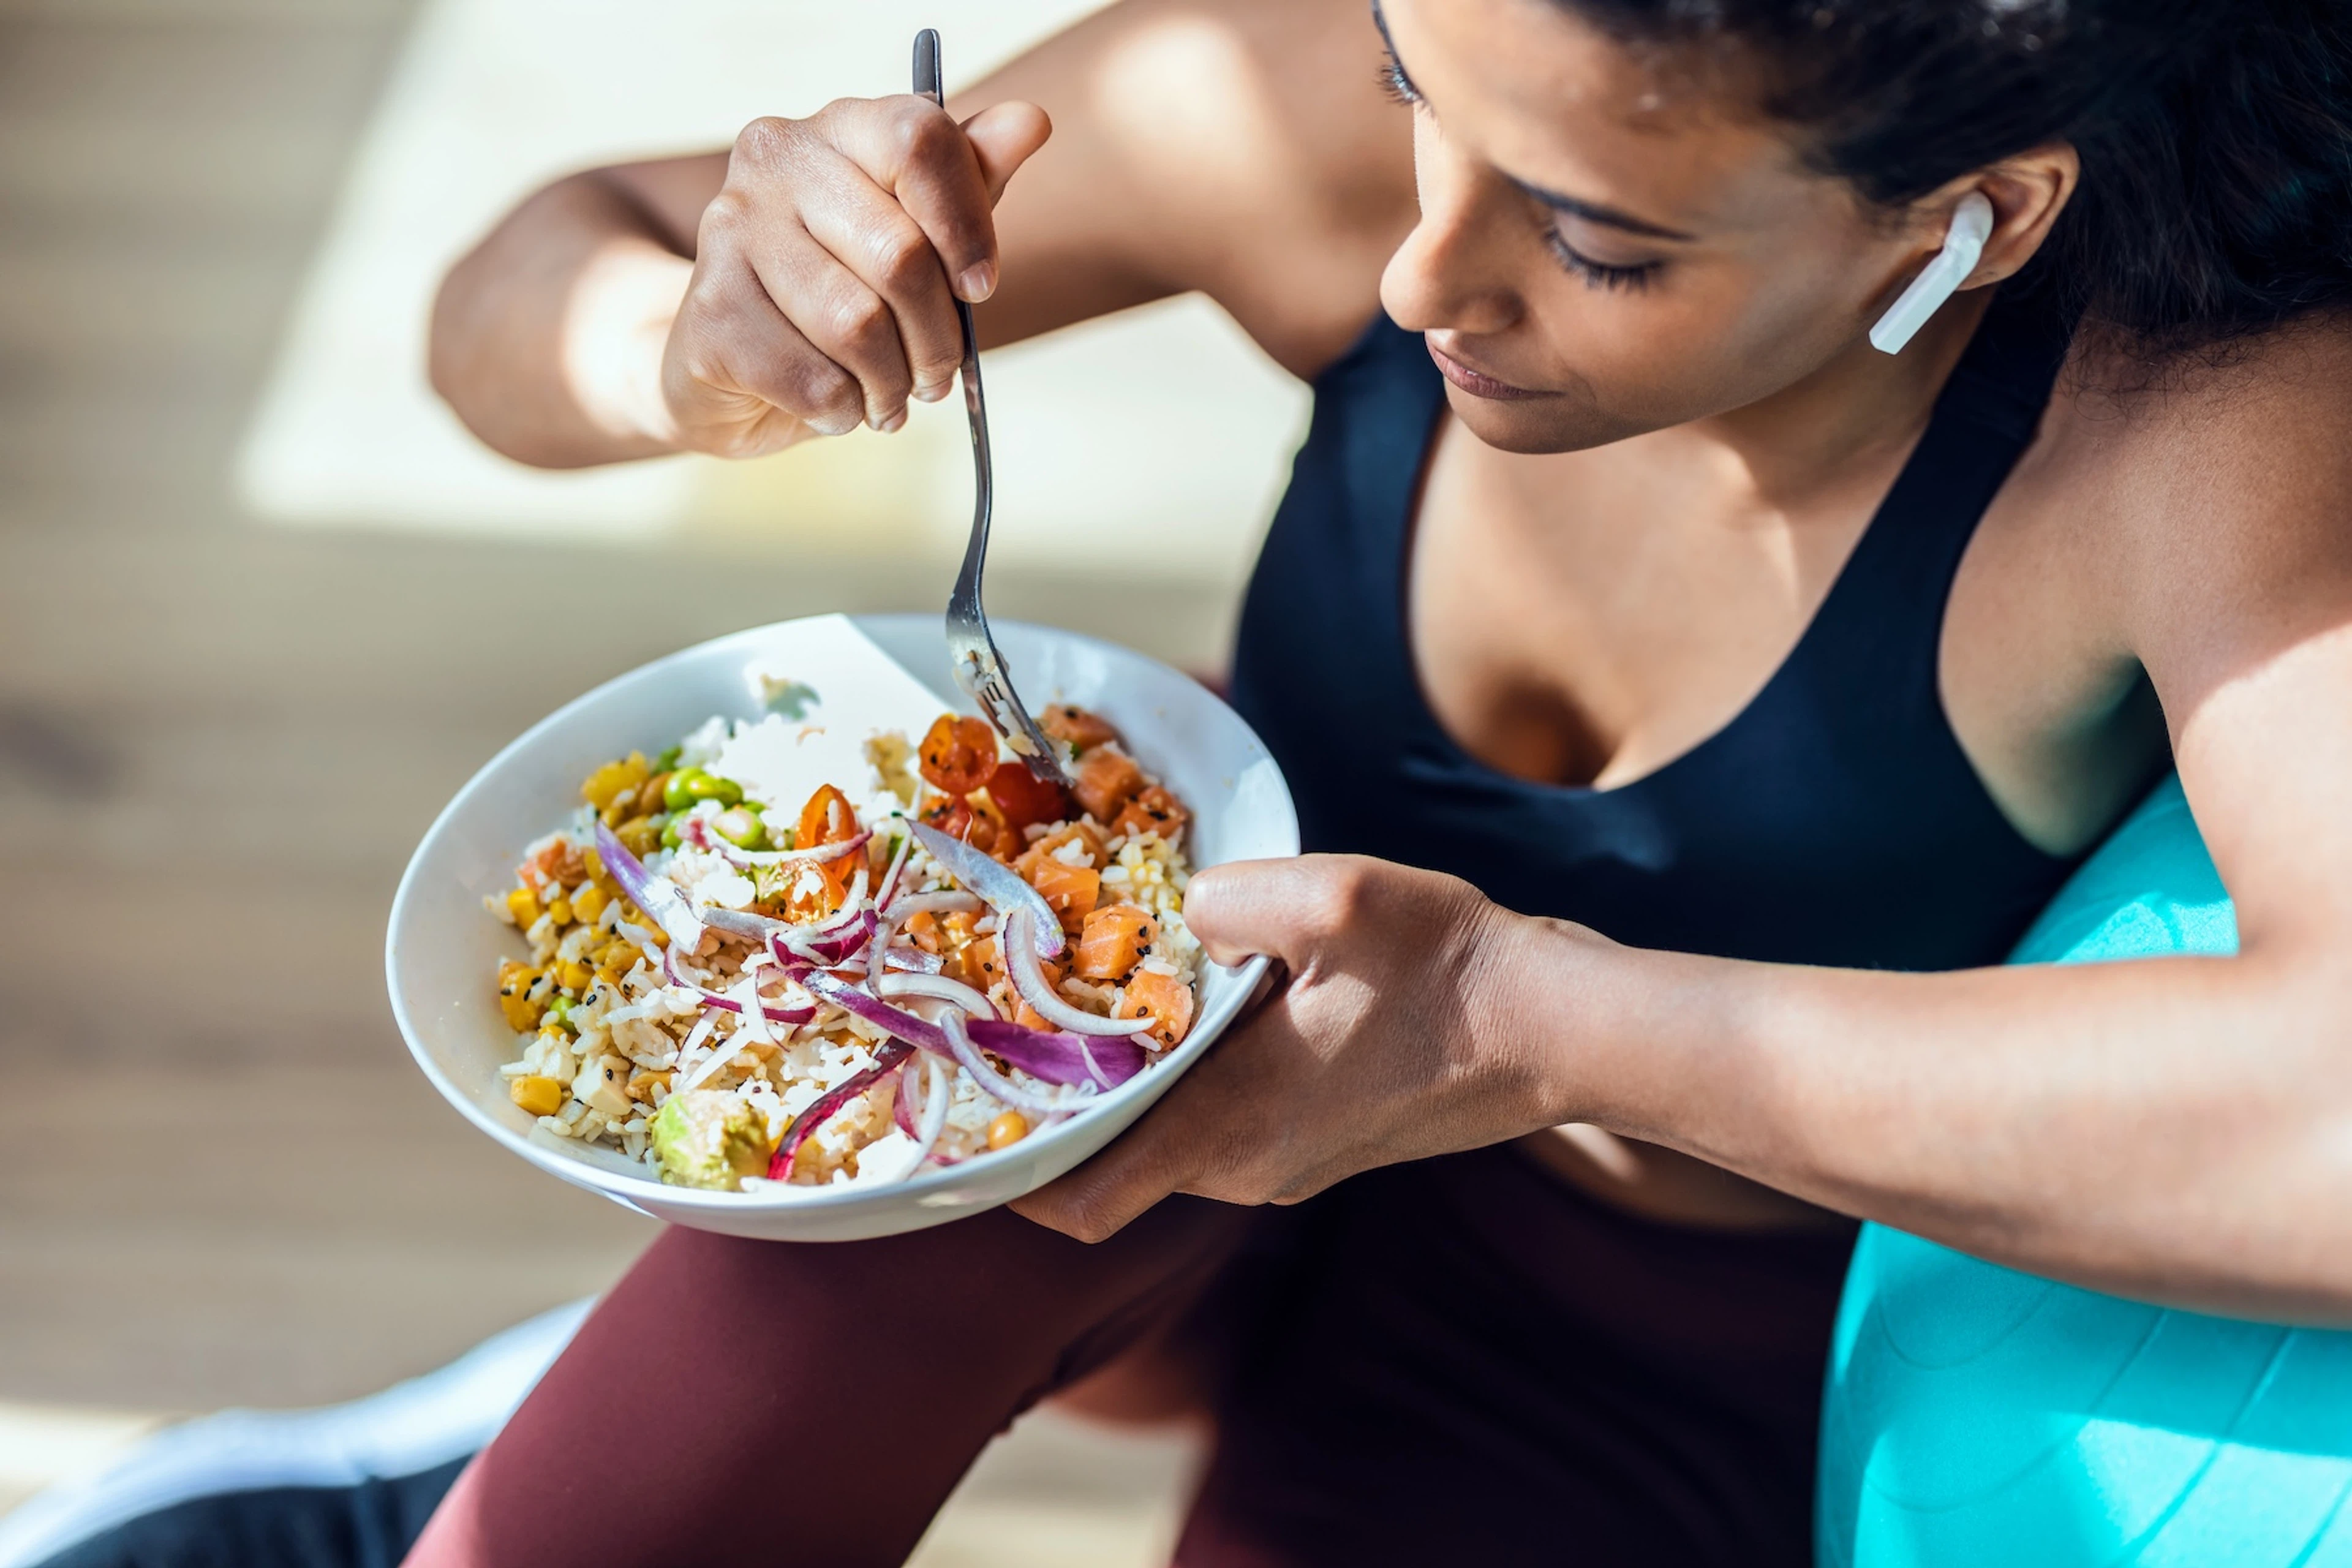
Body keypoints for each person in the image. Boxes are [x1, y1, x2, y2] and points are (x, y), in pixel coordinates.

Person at [413, 0, 2352, 1562]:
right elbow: (506, 298)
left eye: (1596, 238)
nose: (1427, 272)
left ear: (1977, 214)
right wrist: (698, 344)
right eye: (1425, 87)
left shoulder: (2190, 424)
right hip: (1124, 1052)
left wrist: (1524, 1026)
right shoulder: (1306, 112)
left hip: (1615, 1348)